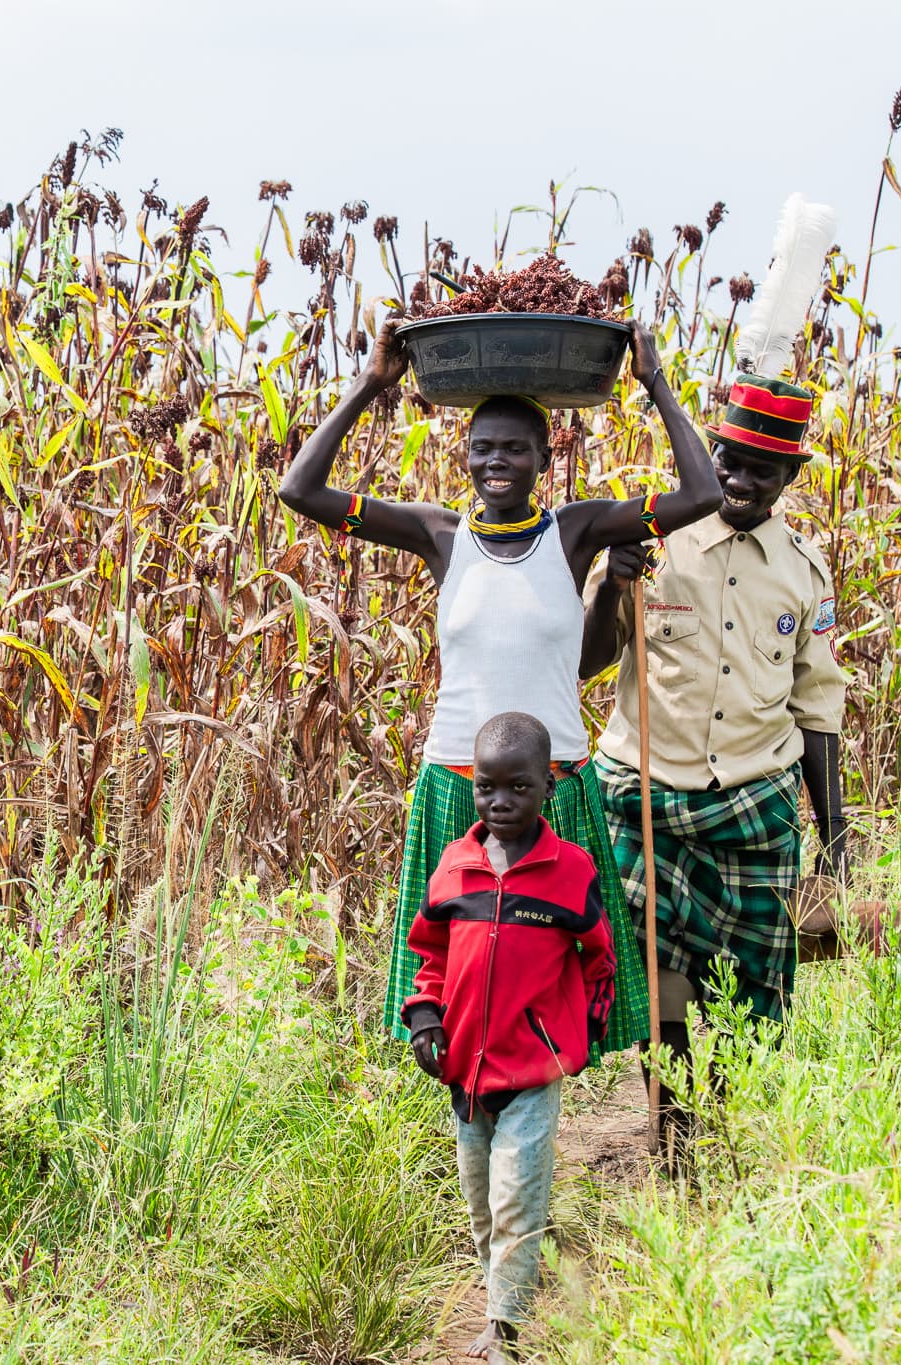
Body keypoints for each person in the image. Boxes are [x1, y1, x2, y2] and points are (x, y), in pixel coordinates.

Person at [276, 317, 720, 1056]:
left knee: (553, 991)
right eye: (483, 447)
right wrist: (372, 383)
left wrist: (655, 381)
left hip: (556, 786)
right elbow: (300, 489)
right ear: (465, 456)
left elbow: (700, 493)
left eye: (516, 447)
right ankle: (471, 1128)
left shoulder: (576, 533)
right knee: (452, 992)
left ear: (547, 456)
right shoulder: (437, 535)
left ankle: (532, 1125)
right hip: (459, 785)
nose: (497, 461)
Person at [579, 375, 850, 1157]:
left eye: (760, 470)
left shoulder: (805, 571)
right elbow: (591, 663)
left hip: (751, 807)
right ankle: (671, 1130)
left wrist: (835, 836)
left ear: (790, 478)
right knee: (660, 988)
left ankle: (716, 1120)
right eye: (726, 459)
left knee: (743, 997)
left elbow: (817, 708)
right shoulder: (652, 542)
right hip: (643, 799)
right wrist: (608, 588)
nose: (736, 479)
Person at [401, 712, 616, 1363]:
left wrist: (583, 1031)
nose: (500, 801)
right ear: (472, 785)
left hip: (531, 1071)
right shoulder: (455, 868)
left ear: (547, 787)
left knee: (517, 1195)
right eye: (487, 786)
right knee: (480, 1202)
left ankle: (506, 1328)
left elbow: (598, 958)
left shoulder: (569, 872)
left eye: (517, 787)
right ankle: (500, 1292)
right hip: (464, 1071)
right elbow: (429, 954)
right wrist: (423, 1018)